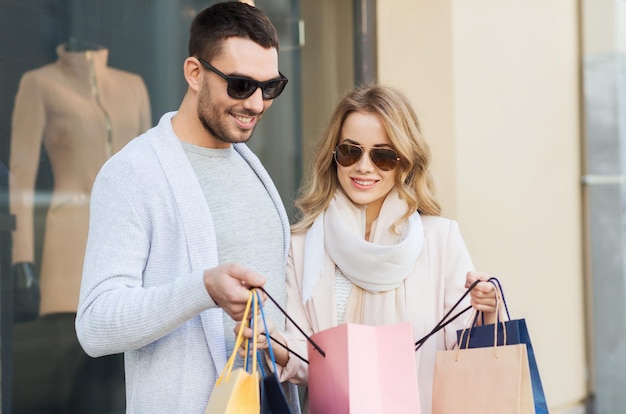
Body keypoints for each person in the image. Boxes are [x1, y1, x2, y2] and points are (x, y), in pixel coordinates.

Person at [75, 2, 299, 413]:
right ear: (195, 73)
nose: (256, 104)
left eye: (270, 88)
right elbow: (95, 324)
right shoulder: (132, 172)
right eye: (240, 85)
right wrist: (202, 288)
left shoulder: (251, 166)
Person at [247, 84, 498, 414]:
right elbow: (304, 356)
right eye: (351, 152)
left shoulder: (440, 239)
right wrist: (271, 343)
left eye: (382, 156)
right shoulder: (303, 245)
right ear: (333, 155)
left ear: (405, 162)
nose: (364, 167)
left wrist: (488, 309)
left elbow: (464, 351)